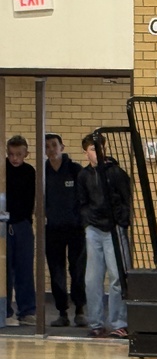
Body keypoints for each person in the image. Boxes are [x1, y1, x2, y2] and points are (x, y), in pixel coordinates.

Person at [77, 133, 132, 339]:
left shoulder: (116, 172)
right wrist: (87, 223)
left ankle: (119, 322)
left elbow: (127, 199)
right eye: (92, 149)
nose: (97, 153)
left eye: (99, 148)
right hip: (93, 230)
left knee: (118, 275)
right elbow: (82, 203)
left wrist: (121, 221)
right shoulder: (83, 176)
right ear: (86, 153)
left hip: (114, 229)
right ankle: (96, 323)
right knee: (92, 278)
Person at [43, 133, 86, 327]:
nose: (51, 149)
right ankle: (62, 312)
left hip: (75, 229)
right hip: (52, 229)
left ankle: (80, 310)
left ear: (62, 146)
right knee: (56, 271)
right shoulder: (43, 172)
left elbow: (84, 198)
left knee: (77, 270)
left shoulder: (75, 170)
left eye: (54, 145)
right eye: (47, 147)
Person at [5, 135, 36, 327]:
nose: (15, 158)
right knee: (5, 270)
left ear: (26, 154)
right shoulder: (2, 169)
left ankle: (27, 310)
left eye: (18, 154)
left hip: (23, 224)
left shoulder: (30, 171)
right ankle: (5, 310)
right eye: (11, 154)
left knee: (25, 268)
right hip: (4, 224)